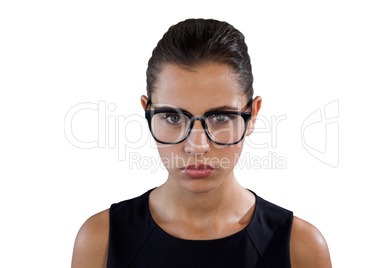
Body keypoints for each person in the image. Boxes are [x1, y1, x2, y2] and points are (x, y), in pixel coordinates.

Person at [71, 18, 332, 268]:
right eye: (173, 117)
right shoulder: (100, 240)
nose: (197, 145)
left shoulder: (300, 246)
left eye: (220, 117)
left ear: (252, 116)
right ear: (147, 112)